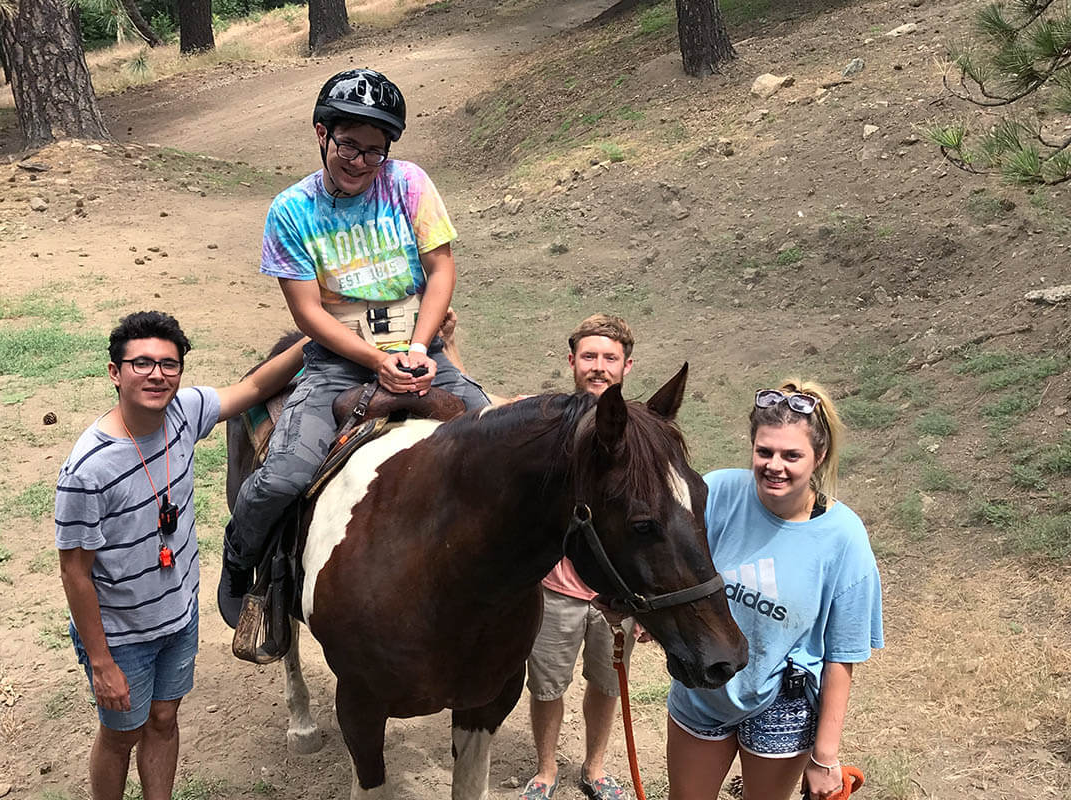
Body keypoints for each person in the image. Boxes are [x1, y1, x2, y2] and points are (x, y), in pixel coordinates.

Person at [219, 68, 489, 627]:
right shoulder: (290, 211)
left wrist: (417, 347)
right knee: (285, 475)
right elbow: (307, 312)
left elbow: (440, 268)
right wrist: (377, 362)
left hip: (420, 349)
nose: (362, 162)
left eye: (375, 151)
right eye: (349, 146)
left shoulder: (410, 182)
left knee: (496, 447)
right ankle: (242, 559)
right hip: (339, 361)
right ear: (322, 134)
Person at [55, 311, 304, 800]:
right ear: (114, 372)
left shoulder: (184, 412)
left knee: (165, 719)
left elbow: (251, 390)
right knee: (121, 734)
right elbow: (74, 573)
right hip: (121, 633)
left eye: (169, 364)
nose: (156, 375)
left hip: (177, 614)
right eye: (141, 363)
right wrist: (103, 663)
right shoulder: (87, 469)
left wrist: (315, 335)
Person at [664, 381, 884, 800]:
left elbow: (842, 656)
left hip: (784, 699)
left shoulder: (844, 537)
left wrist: (825, 757)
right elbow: (671, 570)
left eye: (791, 455)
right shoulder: (718, 494)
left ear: (818, 457)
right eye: (764, 452)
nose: (774, 465)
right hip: (705, 683)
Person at [519, 314, 640, 800]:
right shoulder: (545, 424)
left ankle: (594, 768)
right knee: (546, 685)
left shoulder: (640, 433)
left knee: (608, 684)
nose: (599, 367)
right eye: (589, 356)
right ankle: (546, 770)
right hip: (555, 588)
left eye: (609, 358)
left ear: (627, 366)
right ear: (571, 361)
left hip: (615, 595)